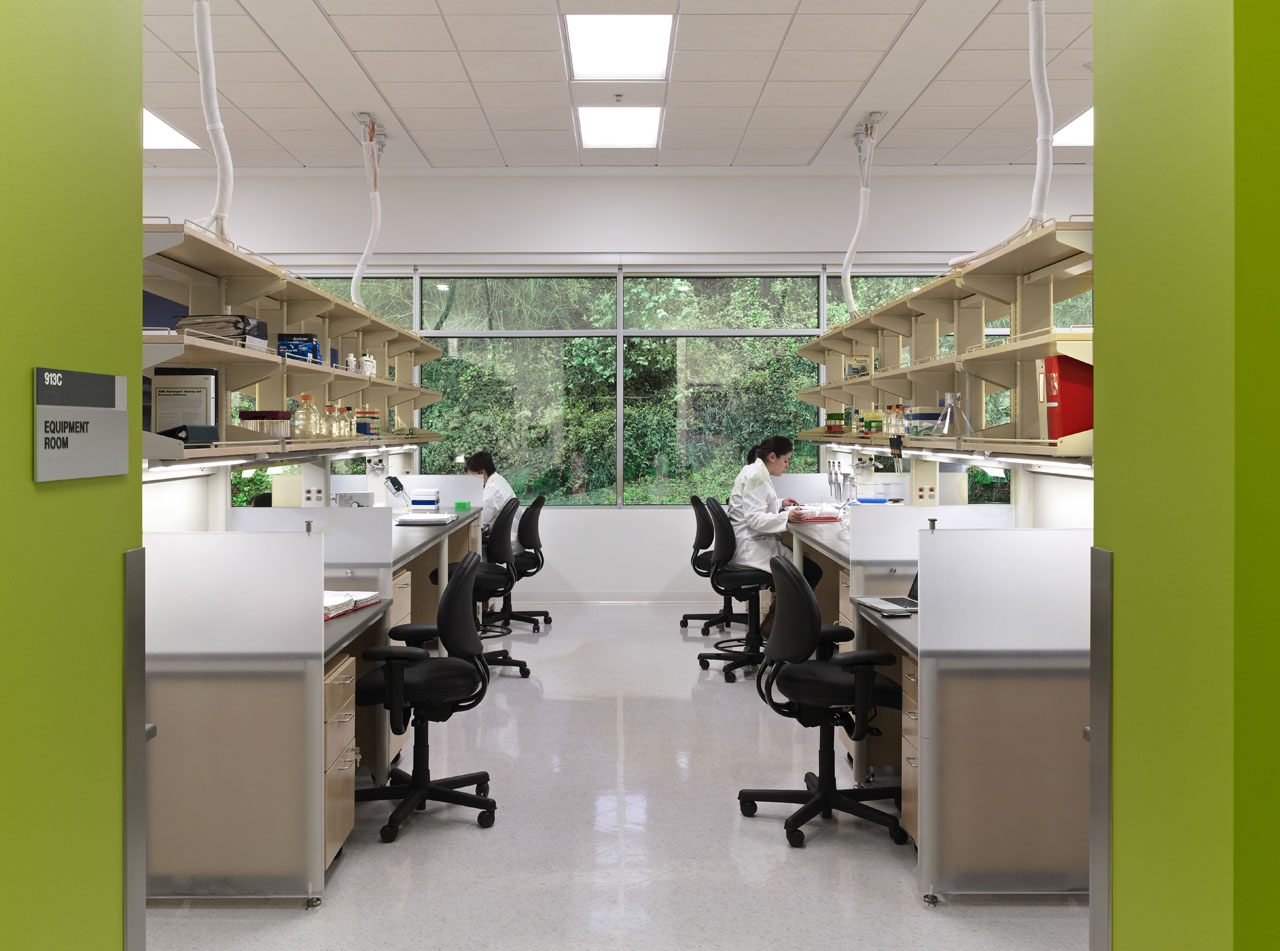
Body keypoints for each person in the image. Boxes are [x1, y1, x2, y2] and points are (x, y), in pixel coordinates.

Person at [726, 437, 823, 636]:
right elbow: (754, 519)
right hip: (750, 546)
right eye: (786, 460)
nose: (787, 466)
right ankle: (774, 629)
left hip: (748, 542)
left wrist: (779, 504)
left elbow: (755, 503)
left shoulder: (753, 470)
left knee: (804, 565)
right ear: (772, 457)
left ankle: (776, 627)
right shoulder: (757, 477)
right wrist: (787, 517)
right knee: (810, 571)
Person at [464, 450, 519, 550]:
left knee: (468, 545)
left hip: (506, 544)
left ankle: (480, 565)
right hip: (508, 539)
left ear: (481, 472)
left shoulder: (493, 489)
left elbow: (481, 522)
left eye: (471, 477)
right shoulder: (498, 481)